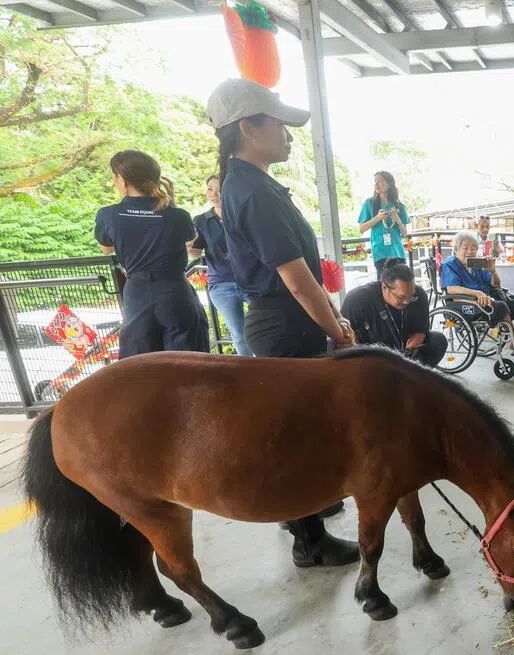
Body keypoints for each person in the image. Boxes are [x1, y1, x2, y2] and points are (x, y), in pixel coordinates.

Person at [207, 77, 358, 568]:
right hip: (283, 322)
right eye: (281, 125)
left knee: (302, 430)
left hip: (289, 320)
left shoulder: (254, 184)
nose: (289, 136)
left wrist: (334, 317)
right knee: (298, 436)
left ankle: (307, 518)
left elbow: (304, 275)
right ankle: (308, 540)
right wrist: (335, 328)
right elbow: (294, 278)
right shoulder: (251, 190)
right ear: (248, 128)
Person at [94, 150, 209, 359]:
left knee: (141, 365)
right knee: (190, 362)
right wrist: (170, 203)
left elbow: (106, 247)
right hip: (175, 291)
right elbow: (190, 241)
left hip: (137, 292)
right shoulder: (178, 215)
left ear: (123, 179)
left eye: (114, 176)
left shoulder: (109, 215)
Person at [442, 230, 514, 351]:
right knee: (500, 306)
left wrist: (493, 271)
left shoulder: (476, 264)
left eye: (473, 248)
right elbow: (451, 289)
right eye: (465, 248)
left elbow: (496, 284)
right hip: (467, 303)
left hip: (489, 301)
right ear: (456, 250)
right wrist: (477, 293)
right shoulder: (450, 264)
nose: (469, 251)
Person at [341, 259, 447, 368]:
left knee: (437, 340)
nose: (407, 301)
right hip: (370, 355)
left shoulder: (419, 295)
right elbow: (346, 335)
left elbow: (420, 331)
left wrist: (406, 358)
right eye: (401, 297)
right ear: (384, 287)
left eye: (411, 295)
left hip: (403, 352)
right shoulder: (358, 298)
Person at [190, 174, 250, 356]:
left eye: (219, 190)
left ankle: (269, 368)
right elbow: (195, 253)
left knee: (263, 328)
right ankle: (249, 374)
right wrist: (188, 244)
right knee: (238, 333)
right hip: (222, 284)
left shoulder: (244, 214)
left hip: (252, 281)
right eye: (210, 189)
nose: (214, 194)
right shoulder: (201, 220)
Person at [358, 170, 410, 277]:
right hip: (380, 253)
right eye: (375, 181)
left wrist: (397, 219)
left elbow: (404, 233)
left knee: (401, 283)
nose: (376, 184)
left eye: (380, 181)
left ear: (389, 184)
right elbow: (361, 228)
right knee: (384, 285)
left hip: (397, 252)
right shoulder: (369, 203)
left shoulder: (399, 205)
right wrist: (378, 218)